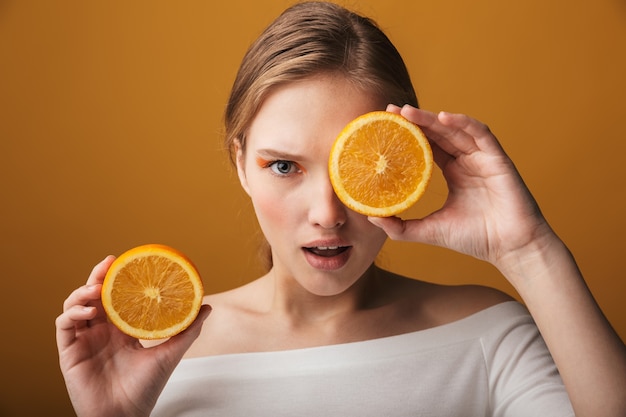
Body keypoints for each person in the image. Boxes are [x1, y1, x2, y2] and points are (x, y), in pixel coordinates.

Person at [55, 2, 626, 416]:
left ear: (408, 162)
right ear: (240, 163)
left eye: (351, 172)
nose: (327, 214)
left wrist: (530, 251)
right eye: (284, 166)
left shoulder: (491, 337)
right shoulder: (149, 359)